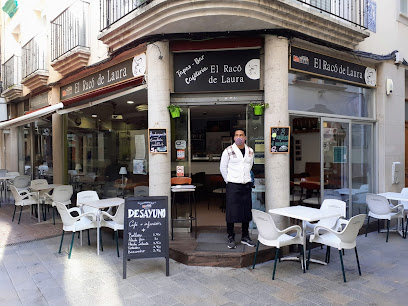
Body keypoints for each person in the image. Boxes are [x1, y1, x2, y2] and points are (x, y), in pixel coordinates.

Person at [220, 129, 255, 249]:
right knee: (231, 211)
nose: (239, 137)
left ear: (245, 137)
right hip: (233, 185)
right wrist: (229, 180)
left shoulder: (250, 151)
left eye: (241, 135)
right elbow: (223, 168)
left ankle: (245, 236)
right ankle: (231, 236)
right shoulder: (228, 151)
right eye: (236, 135)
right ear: (234, 138)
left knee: (246, 211)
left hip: (246, 184)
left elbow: (249, 166)